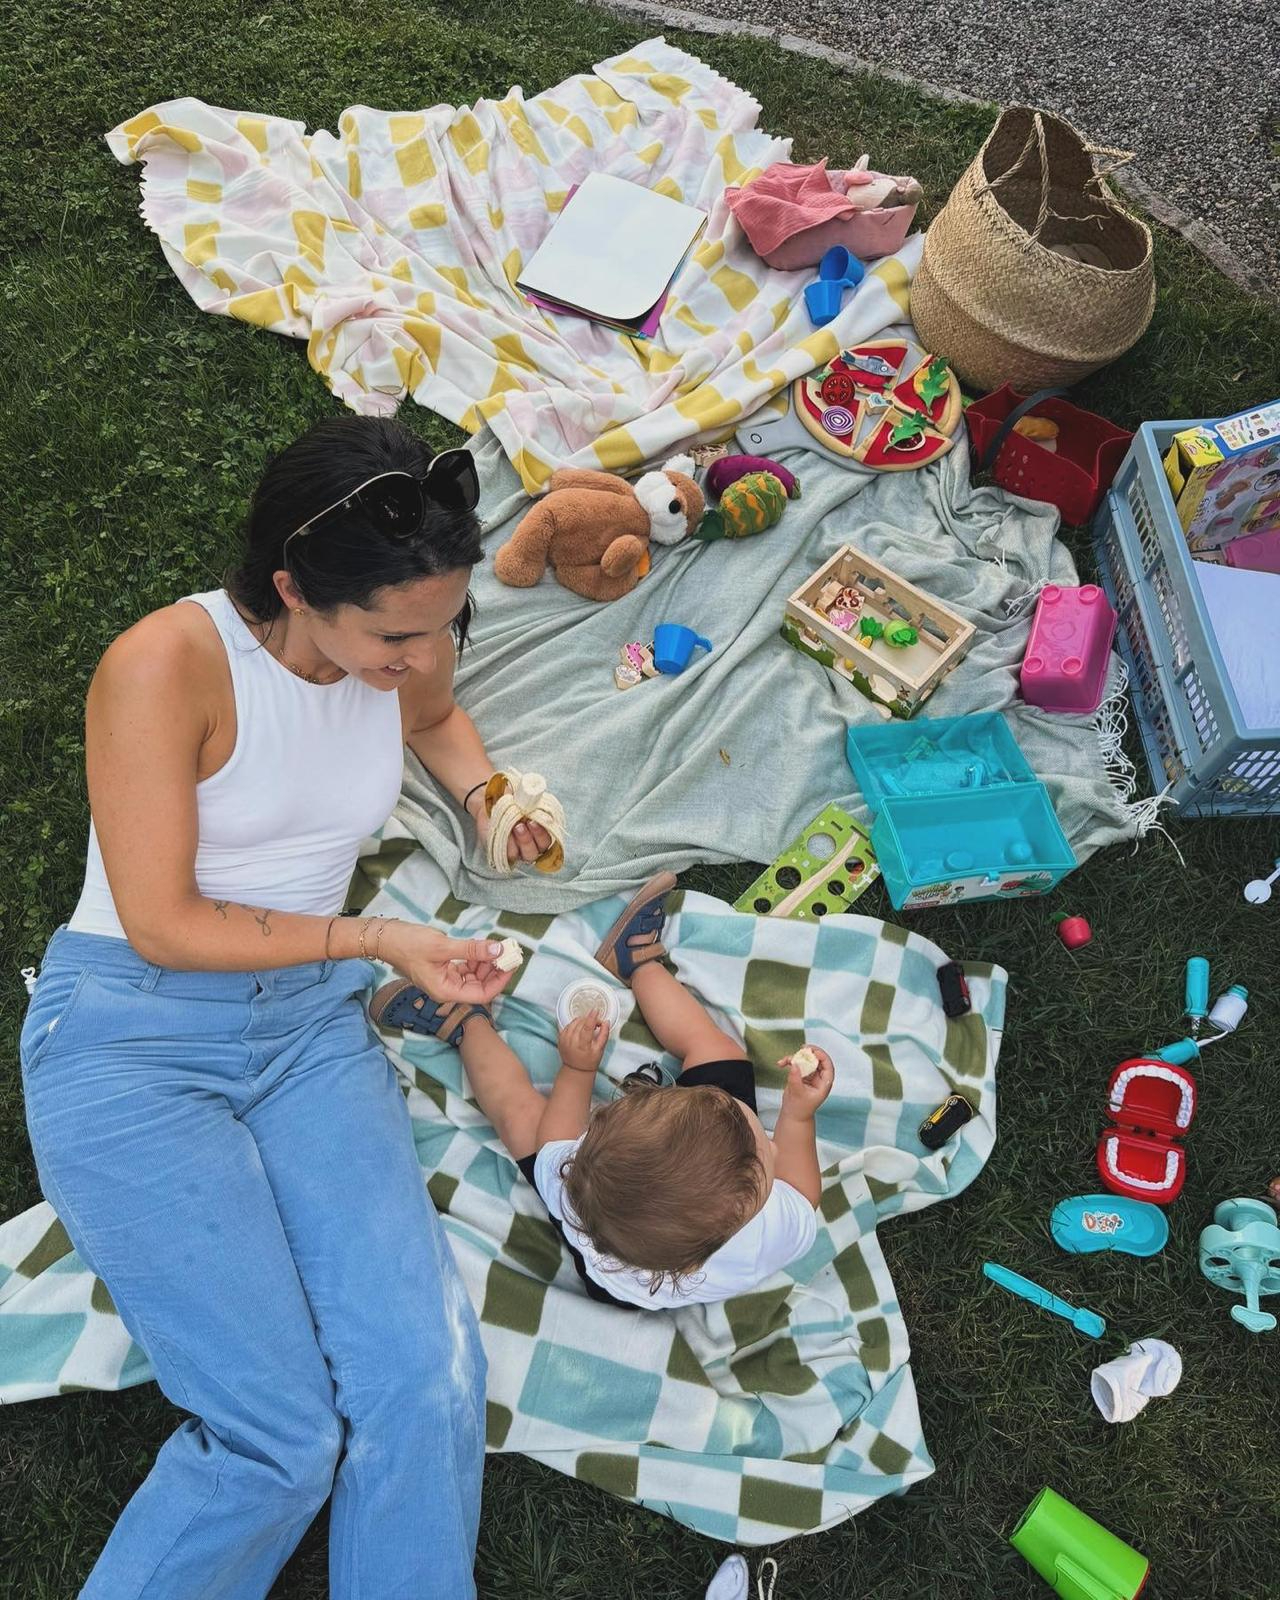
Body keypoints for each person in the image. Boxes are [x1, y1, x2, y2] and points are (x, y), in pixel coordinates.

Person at [18, 417, 541, 1599]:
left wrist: (490, 795)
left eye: (440, 627)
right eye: (393, 635)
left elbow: (431, 721)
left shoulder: (405, 635)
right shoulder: (165, 666)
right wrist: (374, 936)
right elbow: (164, 921)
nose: (420, 655)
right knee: (280, 1438)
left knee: (426, 1385)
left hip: (306, 1029)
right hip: (133, 1033)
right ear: (295, 587)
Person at [370, 873, 834, 1310]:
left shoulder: (574, 1185)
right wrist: (797, 1115)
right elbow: (802, 1190)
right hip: (654, 1228)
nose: (739, 1104)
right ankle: (641, 965)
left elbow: (557, 1136)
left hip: (616, 1278)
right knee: (721, 1053)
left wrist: (577, 1069)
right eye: (746, 1118)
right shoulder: (774, 1225)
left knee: (518, 1116)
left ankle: (465, 1023)